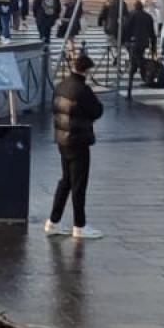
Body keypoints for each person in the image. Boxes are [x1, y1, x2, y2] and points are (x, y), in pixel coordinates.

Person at [46, 53, 104, 240]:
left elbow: (55, 109)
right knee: (79, 184)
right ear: (86, 70)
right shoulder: (83, 90)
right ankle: (79, 225)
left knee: (66, 181)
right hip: (78, 140)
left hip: (62, 140)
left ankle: (53, 222)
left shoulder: (61, 86)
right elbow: (97, 111)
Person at [121, 0, 156, 95]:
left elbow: (125, 29)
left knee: (134, 61)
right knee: (137, 58)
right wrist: (153, 47)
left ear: (135, 7)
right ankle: (142, 70)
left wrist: (123, 41)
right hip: (143, 43)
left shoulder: (131, 15)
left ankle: (132, 83)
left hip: (132, 43)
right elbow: (152, 34)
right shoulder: (148, 17)